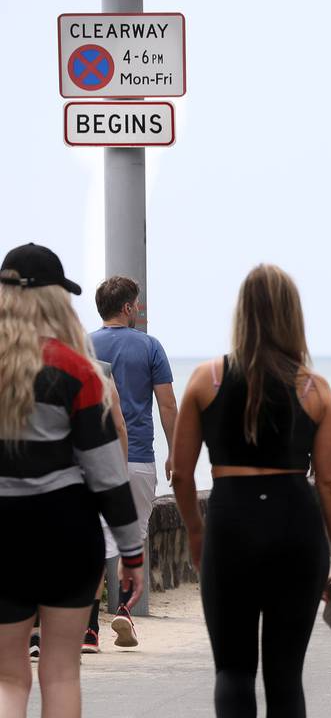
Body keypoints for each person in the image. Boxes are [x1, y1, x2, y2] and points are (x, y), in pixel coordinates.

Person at [171, 264, 331, 718]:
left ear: (241, 313)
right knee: (284, 676)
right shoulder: (314, 389)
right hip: (295, 527)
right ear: (292, 316)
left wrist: (197, 531)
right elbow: (328, 483)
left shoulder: (206, 378)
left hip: (231, 522)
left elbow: (178, 471)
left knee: (232, 666)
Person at [0, 243, 145, 718]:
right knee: (60, 673)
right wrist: (133, 552)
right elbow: (107, 473)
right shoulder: (78, 370)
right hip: (64, 528)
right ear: (57, 298)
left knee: (7, 674)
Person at [88, 275, 177, 651]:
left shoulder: (84, 346)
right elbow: (168, 405)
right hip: (138, 457)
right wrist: (176, 451)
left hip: (93, 457)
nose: (139, 309)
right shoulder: (150, 347)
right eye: (137, 304)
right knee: (132, 540)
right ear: (127, 307)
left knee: (92, 542)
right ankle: (124, 608)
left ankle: (89, 629)